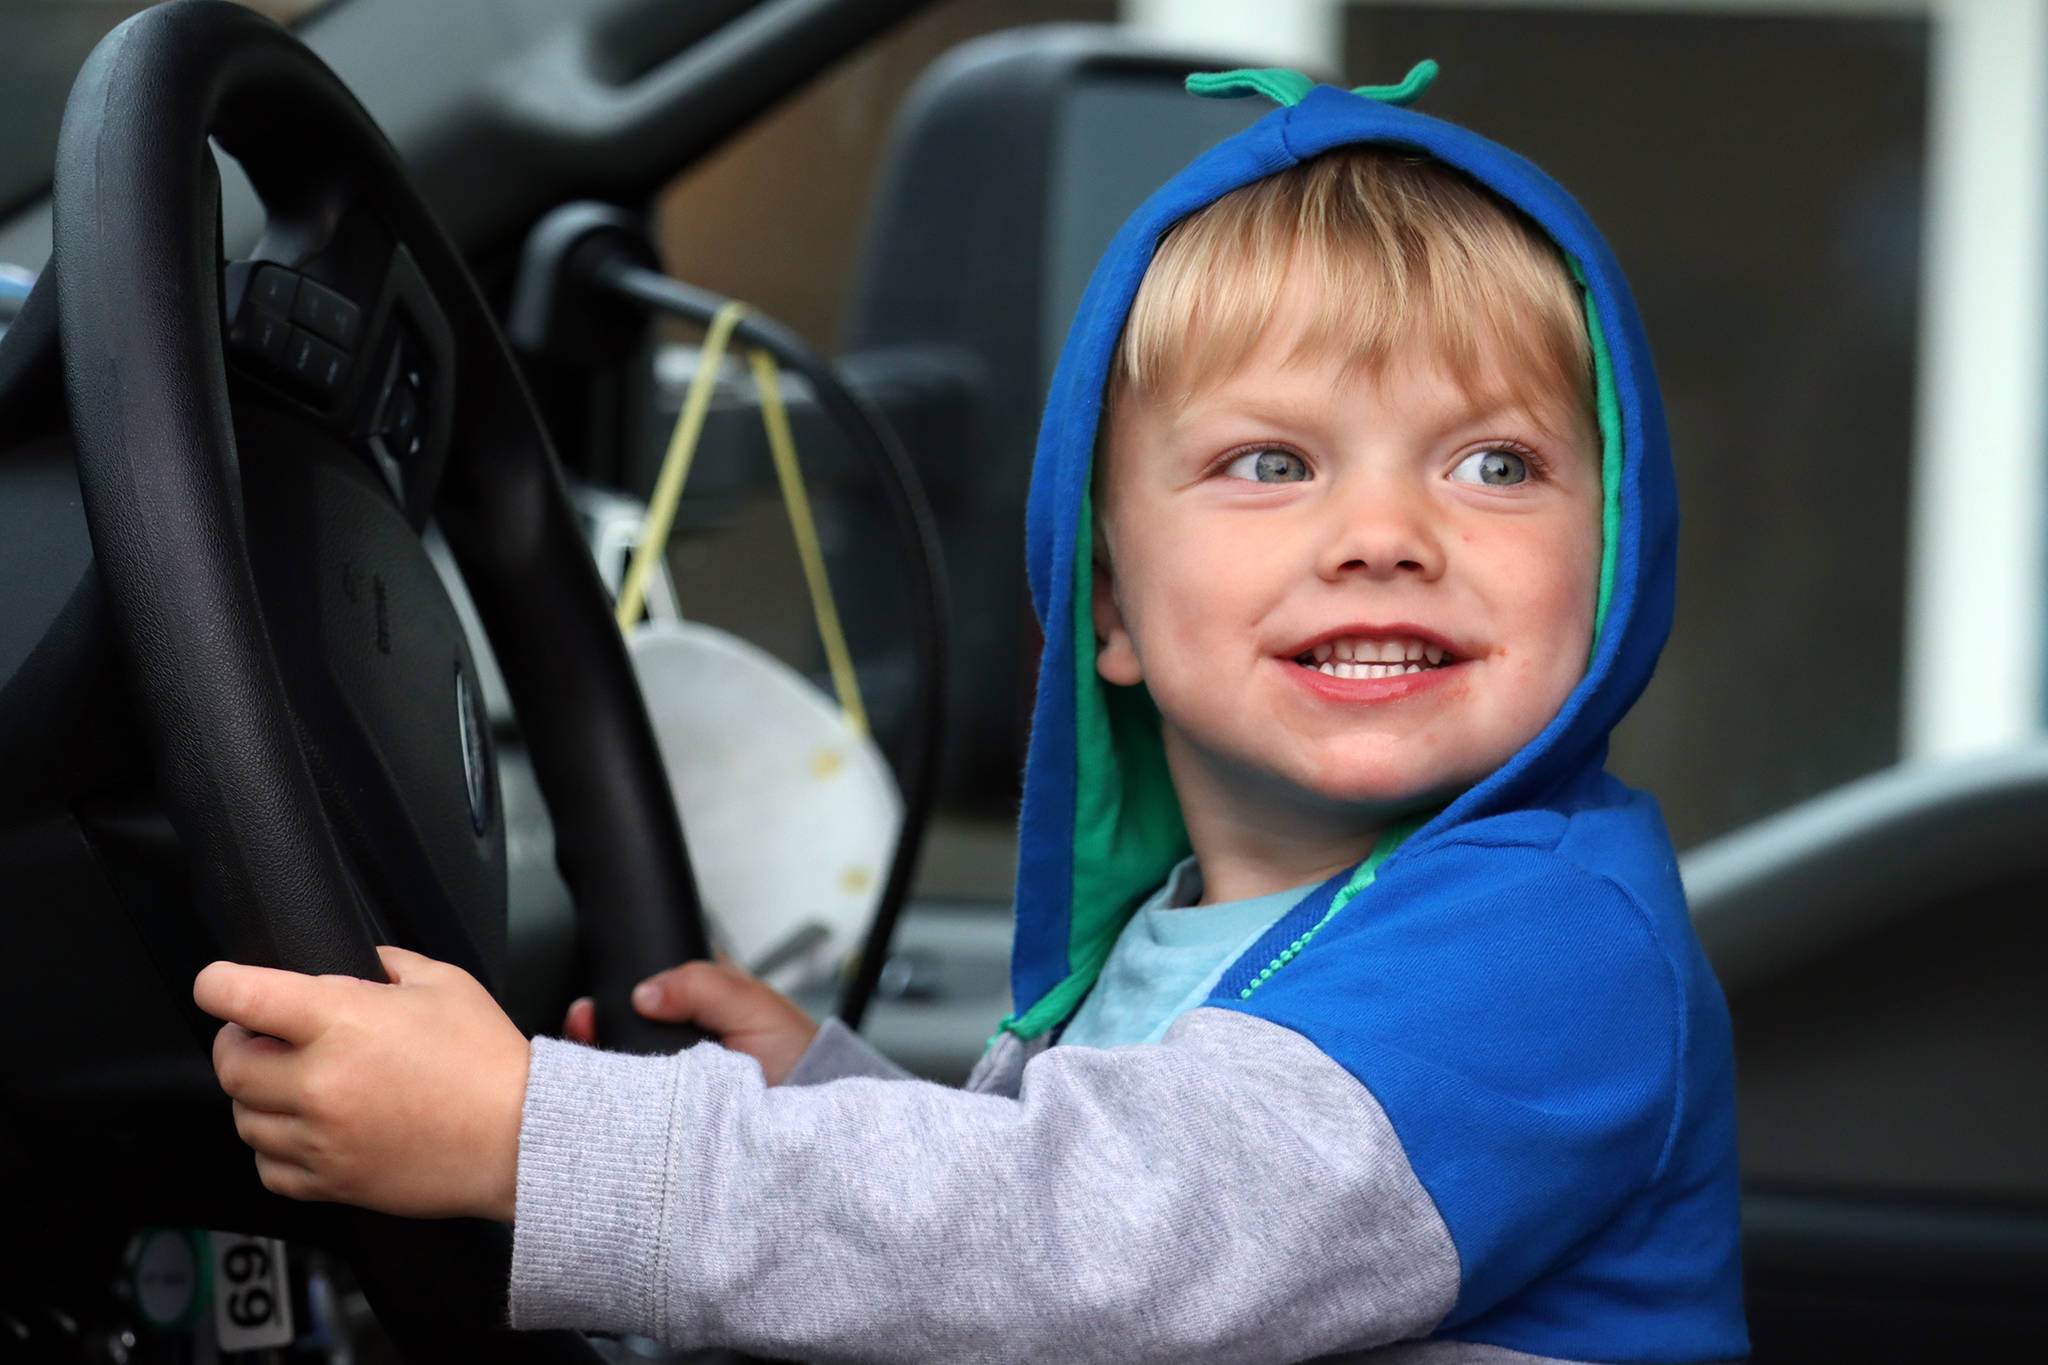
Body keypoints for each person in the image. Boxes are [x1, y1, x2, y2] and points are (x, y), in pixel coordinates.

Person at [194, 65, 1747, 1364]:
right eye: (1272, 462)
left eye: (1496, 465)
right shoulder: (1190, 923)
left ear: (1612, 565)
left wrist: (538, 1138)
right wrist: (831, 1093)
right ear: (1111, 615)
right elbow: (1086, 1211)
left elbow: (1108, 1245)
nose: (1386, 531)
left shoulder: (1547, 943)